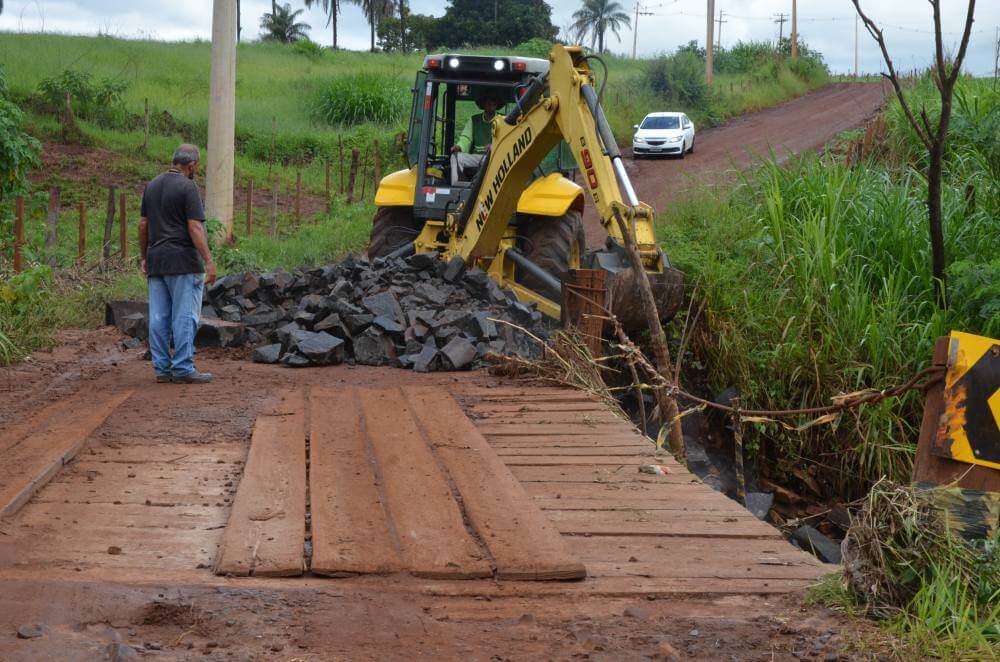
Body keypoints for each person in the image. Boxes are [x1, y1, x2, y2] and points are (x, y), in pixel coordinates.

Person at [138, 144, 217, 384]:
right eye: (197, 167)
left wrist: (144, 256)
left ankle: (162, 369)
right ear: (192, 165)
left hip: (156, 260)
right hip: (183, 261)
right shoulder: (187, 186)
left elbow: (143, 225)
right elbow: (195, 226)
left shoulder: (151, 186)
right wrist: (209, 261)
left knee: (159, 316)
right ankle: (183, 367)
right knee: (184, 316)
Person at [450, 92, 503, 181]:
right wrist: (459, 146)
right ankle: (456, 186)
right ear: (483, 104)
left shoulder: (502, 120)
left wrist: (495, 146)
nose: (490, 106)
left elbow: (506, 141)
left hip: (493, 158)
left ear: (496, 105)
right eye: (488, 103)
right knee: (455, 157)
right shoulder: (474, 120)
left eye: (493, 103)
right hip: (476, 157)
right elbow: (466, 138)